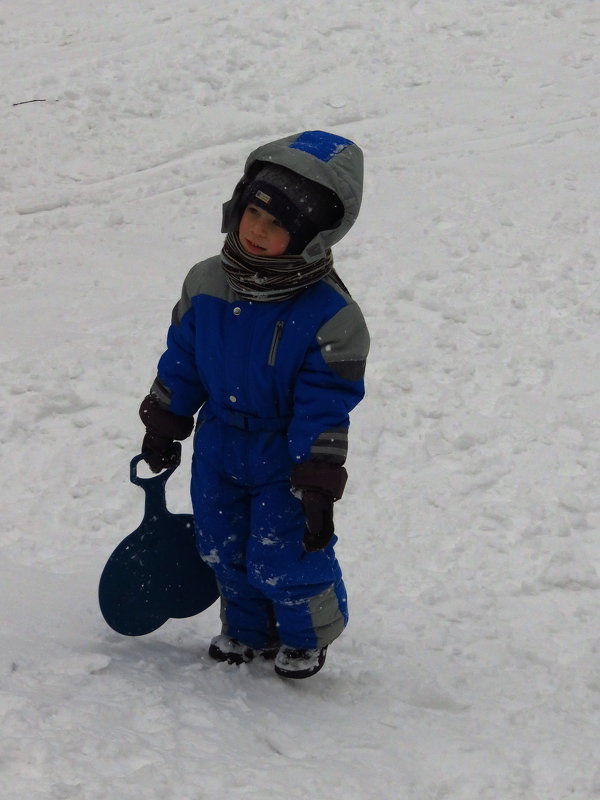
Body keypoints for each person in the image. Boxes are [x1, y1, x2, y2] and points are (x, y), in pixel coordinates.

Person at [139, 130, 369, 679]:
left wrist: (316, 477)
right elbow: (183, 359)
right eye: (253, 213)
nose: (259, 231)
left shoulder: (330, 314)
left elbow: (325, 401)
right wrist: (165, 421)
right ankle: (245, 629)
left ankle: (305, 635)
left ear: (312, 237)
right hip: (220, 441)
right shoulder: (206, 282)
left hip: (283, 452)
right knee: (221, 544)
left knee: (283, 553)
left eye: (279, 224)